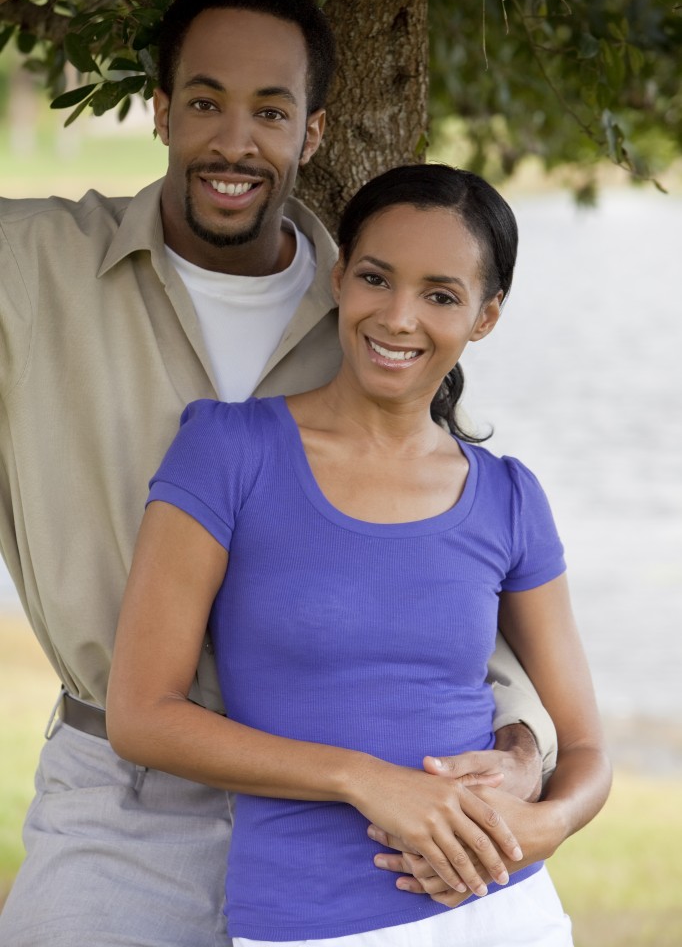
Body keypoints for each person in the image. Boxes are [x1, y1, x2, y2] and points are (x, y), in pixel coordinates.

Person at [0, 0, 562, 944]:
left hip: (364, 824)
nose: (234, 141)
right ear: (160, 111)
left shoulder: (373, 306)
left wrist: (523, 740)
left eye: (270, 110)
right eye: (205, 102)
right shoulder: (32, 270)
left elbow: (457, 547)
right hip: (124, 802)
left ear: (310, 134)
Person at [106, 163, 612, 946]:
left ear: (485, 317)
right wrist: (364, 780)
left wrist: (544, 828)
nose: (399, 317)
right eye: (377, 278)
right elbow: (142, 717)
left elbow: (585, 749)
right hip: (310, 918)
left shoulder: (509, 496)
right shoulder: (230, 450)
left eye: (441, 295)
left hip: (506, 908)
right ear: (340, 275)